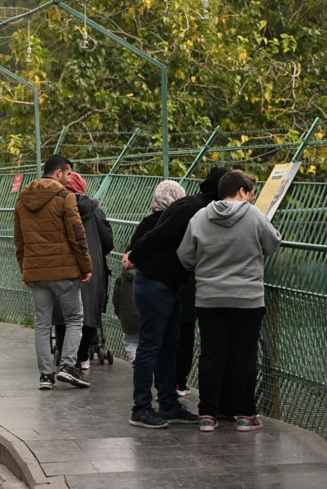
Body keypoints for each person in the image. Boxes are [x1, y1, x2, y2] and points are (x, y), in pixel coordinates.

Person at [122, 167, 229, 428]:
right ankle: (141, 408)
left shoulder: (202, 208)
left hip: (169, 284)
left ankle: (168, 404)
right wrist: (134, 256)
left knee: (170, 345)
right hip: (155, 282)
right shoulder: (192, 207)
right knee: (150, 346)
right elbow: (158, 234)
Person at [177, 170, 282, 432]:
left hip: (209, 298)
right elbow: (273, 243)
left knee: (211, 355)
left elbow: (185, 256)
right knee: (244, 356)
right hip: (247, 299)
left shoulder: (200, 217)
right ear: (242, 192)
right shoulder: (253, 215)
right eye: (251, 193)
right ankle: (246, 415)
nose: (252, 198)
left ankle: (207, 416)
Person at [14, 154, 93, 390]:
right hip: (65, 272)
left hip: (36, 274)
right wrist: (86, 266)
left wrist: (25, 270)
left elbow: (19, 241)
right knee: (74, 318)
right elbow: (77, 235)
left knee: (41, 323)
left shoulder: (22, 200)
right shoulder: (65, 197)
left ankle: (46, 376)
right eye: (68, 173)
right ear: (58, 173)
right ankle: (69, 367)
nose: (69, 179)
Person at [115, 180, 187, 364]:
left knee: (143, 341)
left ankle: (142, 375)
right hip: (171, 286)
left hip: (143, 287)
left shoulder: (146, 223)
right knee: (167, 339)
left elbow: (131, 255)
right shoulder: (182, 223)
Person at [52, 172, 114, 371]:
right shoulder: (95, 210)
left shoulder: (55, 207)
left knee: (63, 312)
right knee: (88, 310)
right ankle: (82, 354)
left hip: (62, 266)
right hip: (91, 267)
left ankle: (65, 357)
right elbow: (108, 242)